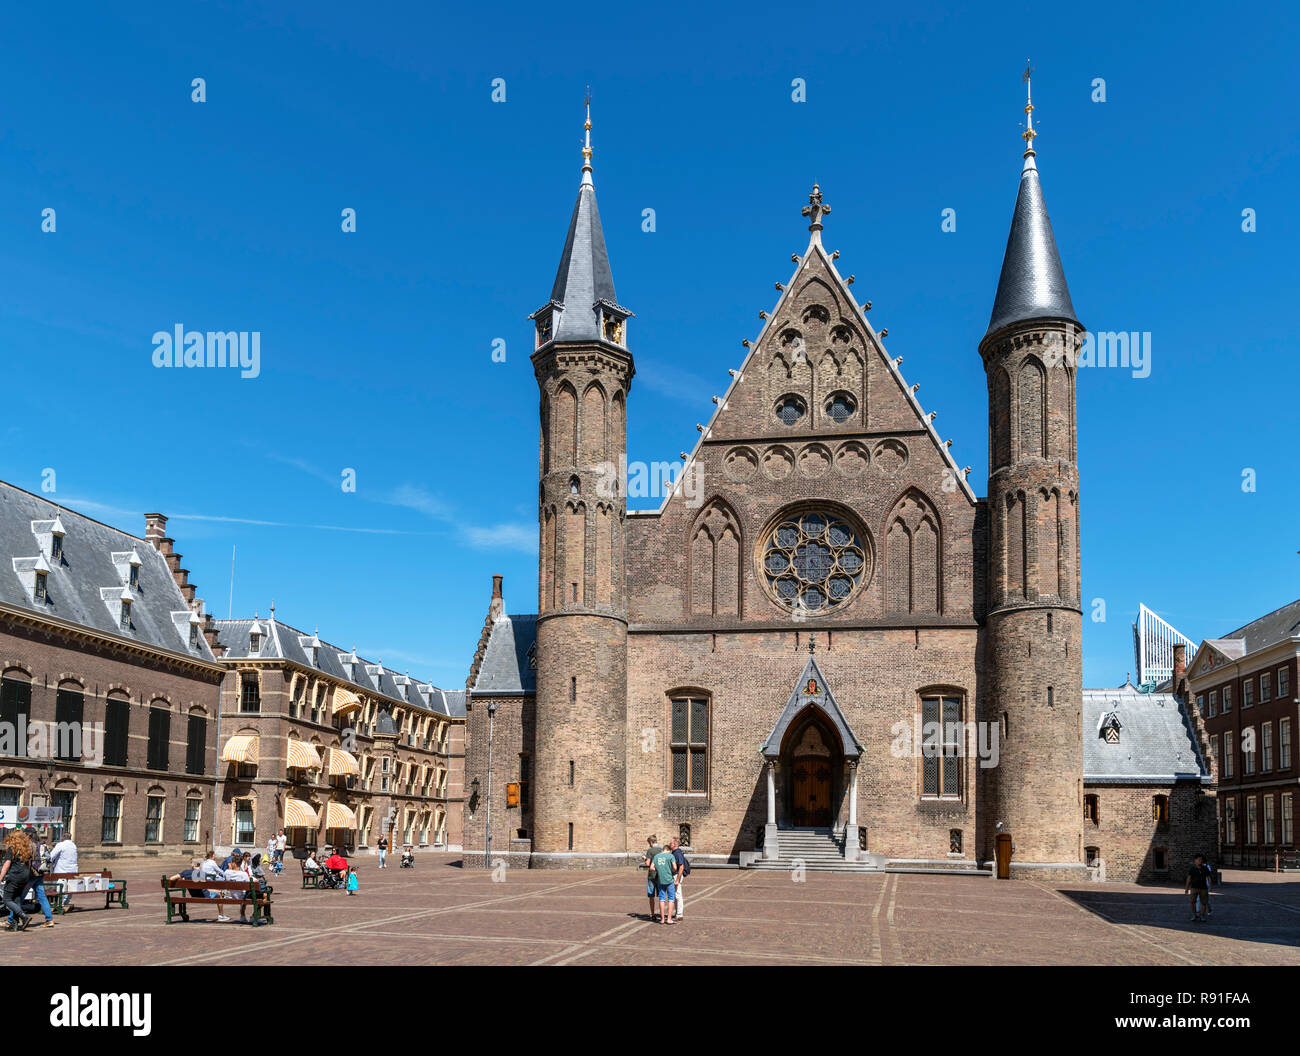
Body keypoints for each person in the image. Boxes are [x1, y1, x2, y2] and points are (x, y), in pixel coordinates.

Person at [0, 829, 35, 931]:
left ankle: (24, 917)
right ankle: (14, 925)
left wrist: (0, 877)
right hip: (24, 877)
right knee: (16, 899)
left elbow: (6, 865)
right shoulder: (26, 849)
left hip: (15, 877)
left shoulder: (12, 849)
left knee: (6, 899)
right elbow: (29, 865)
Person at [21, 828, 54, 928]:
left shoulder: (30, 845)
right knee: (42, 897)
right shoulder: (42, 844)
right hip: (40, 873)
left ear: (28, 835)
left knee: (20, 897)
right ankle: (49, 920)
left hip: (31, 874)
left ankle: (11, 919)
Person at [650, 841, 678, 925]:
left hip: (660, 880)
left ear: (662, 850)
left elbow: (651, 867)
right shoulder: (671, 856)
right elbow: (675, 867)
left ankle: (662, 919)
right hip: (669, 880)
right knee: (671, 899)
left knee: (661, 899)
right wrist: (671, 871)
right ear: (668, 850)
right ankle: (669, 919)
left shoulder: (656, 856)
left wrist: (658, 870)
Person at [48, 833, 78, 909]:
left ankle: (59, 904)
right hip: (73, 870)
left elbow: (51, 856)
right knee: (70, 887)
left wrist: (48, 860)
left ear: (63, 838)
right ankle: (65, 903)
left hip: (62, 870)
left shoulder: (61, 845)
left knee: (60, 887)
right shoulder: (74, 846)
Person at [221, 854, 252, 924]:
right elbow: (248, 886)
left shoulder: (226, 872)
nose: (231, 864)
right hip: (240, 896)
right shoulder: (243, 874)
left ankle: (221, 914)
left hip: (228, 896)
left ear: (234, 864)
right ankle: (244, 916)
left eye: (232, 862)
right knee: (250, 894)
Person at [1185, 853, 1211, 923]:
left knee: (1204, 903)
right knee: (1192, 902)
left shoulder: (1205, 868)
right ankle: (1194, 914)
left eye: (1201, 860)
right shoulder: (1192, 868)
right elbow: (1189, 878)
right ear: (1195, 860)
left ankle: (1202, 915)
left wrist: (1210, 886)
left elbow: (1208, 877)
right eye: (1199, 860)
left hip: (1203, 888)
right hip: (1194, 888)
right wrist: (1187, 888)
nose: (1200, 861)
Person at [642, 835, 661, 921]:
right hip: (661, 875)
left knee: (651, 896)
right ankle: (662, 914)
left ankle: (653, 914)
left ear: (651, 842)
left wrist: (645, 859)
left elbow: (648, 864)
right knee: (662, 895)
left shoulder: (650, 851)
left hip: (652, 875)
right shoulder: (662, 850)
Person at [669, 836, 688, 922]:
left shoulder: (677, 853)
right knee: (676, 895)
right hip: (675, 875)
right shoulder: (674, 852)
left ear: (675, 844)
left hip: (676, 875)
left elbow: (681, 867)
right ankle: (677, 913)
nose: (670, 844)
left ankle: (679, 914)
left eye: (671, 843)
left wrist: (677, 879)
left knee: (678, 895)